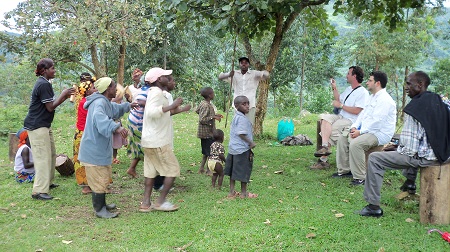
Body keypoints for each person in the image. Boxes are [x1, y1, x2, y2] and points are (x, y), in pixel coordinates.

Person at [358, 71, 450, 217]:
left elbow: (410, 150)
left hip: (427, 158)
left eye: (408, 83)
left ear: (420, 85)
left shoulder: (414, 109)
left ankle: (373, 206)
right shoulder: (440, 101)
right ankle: (410, 184)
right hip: (443, 154)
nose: (405, 87)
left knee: (376, 158)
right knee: (405, 148)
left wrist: (395, 148)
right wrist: (400, 146)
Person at [78, 77, 138, 218]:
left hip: (98, 148)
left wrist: (129, 106)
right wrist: (116, 128)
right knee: (99, 180)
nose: (116, 89)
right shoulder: (99, 103)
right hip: (93, 150)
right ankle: (99, 210)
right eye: (113, 87)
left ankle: (103, 204)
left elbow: (114, 109)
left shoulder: (104, 101)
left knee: (103, 177)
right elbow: (101, 120)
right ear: (106, 89)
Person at [333, 71, 396, 185]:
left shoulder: (385, 100)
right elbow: (362, 115)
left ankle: (360, 177)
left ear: (377, 83)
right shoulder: (372, 97)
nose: (367, 82)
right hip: (367, 129)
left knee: (356, 144)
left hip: (379, 134)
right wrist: (354, 127)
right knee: (343, 137)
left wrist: (360, 132)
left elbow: (377, 122)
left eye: (370, 80)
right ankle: (344, 170)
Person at [24, 58, 75, 200]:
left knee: (51, 154)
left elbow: (51, 104)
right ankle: (39, 191)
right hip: (37, 125)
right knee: (42, 157)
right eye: (52, 68)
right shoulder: (43, 84)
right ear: (44, 70)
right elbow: (50, 107)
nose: (54, 70)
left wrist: (64, 97)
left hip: (44, 124)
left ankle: (48, 182)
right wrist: (64, 94)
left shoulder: (46, 83)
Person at [139, 67, 188, 212]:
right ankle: (160, 201)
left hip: (149, 141)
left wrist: (179, 108)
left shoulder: (155, 93)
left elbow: (162, 113)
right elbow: (152, 112)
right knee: (173, 170)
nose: (170, 78)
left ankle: (146, 203)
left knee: (151, 172)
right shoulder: (157, 93)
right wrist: (172, 105)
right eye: (166, 76)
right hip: (157, 141)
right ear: (159, 79)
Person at [311, 66, 369, 169]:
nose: (346, 76)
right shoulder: (349, 89)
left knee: (329, 130)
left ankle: (323, 161)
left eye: (348, 74)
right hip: (341, 115)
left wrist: (341, 106)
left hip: (351, 120)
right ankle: (325, 147)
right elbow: (339, 99)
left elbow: (357, 111)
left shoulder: (363, 92)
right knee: (324, 119)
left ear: (354, 76)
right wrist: (334, 87)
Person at [218, 56, 269, 125]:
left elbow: (266, 75)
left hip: (250, 105)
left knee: (248, 125)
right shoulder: (234, 73)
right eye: (241, 63)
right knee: (237, 125)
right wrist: (229, 74)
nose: (243, 64)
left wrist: (262, 73)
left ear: (248, 64)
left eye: (246, 63)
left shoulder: (253, 73)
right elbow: (220, 77)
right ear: (239, 64)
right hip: (237, 106)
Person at [225, 96, 257, 199]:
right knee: (244, 171)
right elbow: (241, 134)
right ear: (236, 106)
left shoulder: (236, 116)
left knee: (232, 172)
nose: (247, 106)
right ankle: (243, 193)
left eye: (248, 103)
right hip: (242, 149)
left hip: (233, 149)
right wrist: (251, 142)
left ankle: (231, 192)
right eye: (244, 104)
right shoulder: (242, 119)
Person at [73, 77, 96, 194]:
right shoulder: (86, 102)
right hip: (83, 134)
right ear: (87, 92)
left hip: (82, 132)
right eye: (93, 88)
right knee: (85, 159)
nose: (95, 89)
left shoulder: (85, 100)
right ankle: (87, 185)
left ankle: (90, 183)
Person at [196, 87, 223, 174]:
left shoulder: (203, 103)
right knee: (210, 152)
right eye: (213, 93)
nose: (214, 95)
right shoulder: (206, 105)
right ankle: (208, 170)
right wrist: (213, 117)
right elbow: (202, 119)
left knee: (206, 151)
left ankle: (201, 169)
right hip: (206, 133)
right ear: (209, 95)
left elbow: (197, 111)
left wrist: (214, 115)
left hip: (206, 132)